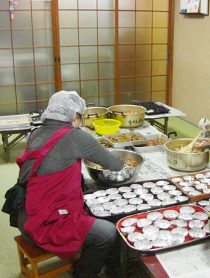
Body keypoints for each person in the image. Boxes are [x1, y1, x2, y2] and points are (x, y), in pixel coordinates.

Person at [4, 91, 124, 277]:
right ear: (75, 115)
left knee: (87, 191)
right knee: (107, 233)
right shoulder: (76, 137)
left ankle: (81, 252)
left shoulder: (35, 133)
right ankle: (83, 273)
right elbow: (116, 164)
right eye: (81, 117)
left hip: (25, 214)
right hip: (44, 226)